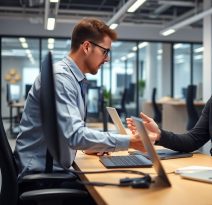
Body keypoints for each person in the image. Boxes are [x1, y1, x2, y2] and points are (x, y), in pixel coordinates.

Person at [14, 18, 146, 179]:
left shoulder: (72, 79)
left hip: (49, 169)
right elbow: (75, 135)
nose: (107, 59)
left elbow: (68, 133)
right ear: (87, 46)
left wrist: (90, 145)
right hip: (41, 176)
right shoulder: (61, 79)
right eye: (105, 51)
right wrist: (130, 141)